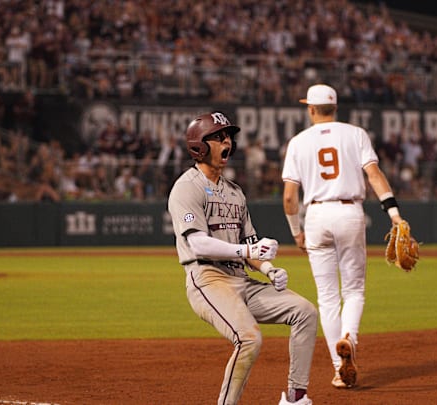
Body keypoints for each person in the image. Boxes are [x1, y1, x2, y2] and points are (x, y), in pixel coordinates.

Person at [167, 111, 317, 405]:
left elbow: (249, 244)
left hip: (242, 280)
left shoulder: (235, 193)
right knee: (249, 339)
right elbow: (197, 244)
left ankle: (296, 397)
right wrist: (246, 251)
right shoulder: (187, 187)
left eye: (228, 137)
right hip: (208, 280)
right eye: (219, 137)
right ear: (199, 145)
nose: (227, 143)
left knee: (305, 312)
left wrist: (270, 269)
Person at [282, 84, 407, 389]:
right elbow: (374, 175)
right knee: (354, 291)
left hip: (316, 216)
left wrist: (295, 230)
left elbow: (288, 196)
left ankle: (340, 368)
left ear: (310, 109)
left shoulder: (298, 142)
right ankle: (349, 337)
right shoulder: (356, 134)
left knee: (327, 298)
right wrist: (394, 214)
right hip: (350, 212)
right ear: (335, 108)